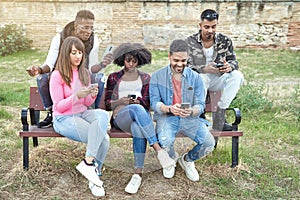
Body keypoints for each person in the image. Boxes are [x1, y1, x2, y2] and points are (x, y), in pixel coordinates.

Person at [105, 43, 175, 194]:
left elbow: (147, 102)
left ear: (139, 61)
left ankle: (137, 174)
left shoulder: (145, 78)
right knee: (136, 110)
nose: (131, 64)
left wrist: (138, 101)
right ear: (122, 60)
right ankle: (159, 151)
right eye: (128, 60)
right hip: (120, 118)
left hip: (139, 119)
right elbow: (107, 104)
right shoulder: (114, 77)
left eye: (134, 61)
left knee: (138, 126)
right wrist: (121, 101)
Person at [26, 9, 112, 128]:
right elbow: (49, 64)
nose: (89, 31)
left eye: (91, 28)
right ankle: (51, 112)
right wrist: (39, 70)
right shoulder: (59, 38)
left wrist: (102, 64)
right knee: (42, 78)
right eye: (85, 27)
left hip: (81, 76)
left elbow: (92, 68)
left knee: (99, 78)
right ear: (76, 26)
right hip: (62, 76)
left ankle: (91, 111)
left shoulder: (93, 40)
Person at [49, 36, 110, 197]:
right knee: (103, 139)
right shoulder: (57, 75)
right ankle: (94, 175)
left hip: (82, 112)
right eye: (73, 53)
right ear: (65, 54)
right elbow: (59, 106)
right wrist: (76, 95)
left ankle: (88, 164)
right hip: (64, 118)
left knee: (102, 114)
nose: (78, 56)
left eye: (80, 53)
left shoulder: (84, 72)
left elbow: (86, 102)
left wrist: (92, 95)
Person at [149, 39, 215, 182]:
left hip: (189, 118)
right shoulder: (157, 76)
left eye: (183, 60)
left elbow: (200, 104)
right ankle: (171, 159)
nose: (180, 64)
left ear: (188, 58)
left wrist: (192, 111)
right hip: (167, 117)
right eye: (176, 60)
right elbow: (154, 103)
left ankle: (187, 160)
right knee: (164, 141)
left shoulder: (196, 78)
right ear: (169, 57)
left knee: (209, 143)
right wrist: (169, 108)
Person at [186, 9, 244, 131]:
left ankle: (220, 115)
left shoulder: (225, 40)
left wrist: (230, 66)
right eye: (206, 27)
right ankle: (199, 115)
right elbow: (184, 66)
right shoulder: (190, 42)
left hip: (218, 78)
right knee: (201, 78)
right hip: (198, 80)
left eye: (213, 27)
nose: (210, 30)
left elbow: (234, 61)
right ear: (200, 25)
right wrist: (203, 68)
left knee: (237, 76)